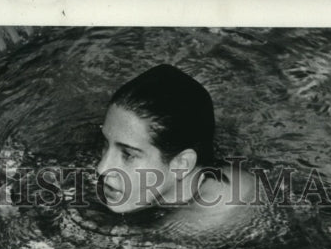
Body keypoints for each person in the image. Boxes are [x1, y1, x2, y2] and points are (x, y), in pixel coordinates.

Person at [95, 64, 258, 231]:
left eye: (128, 155)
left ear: (181, 164)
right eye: (105, 144)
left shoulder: (219, 212)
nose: (102, 168)